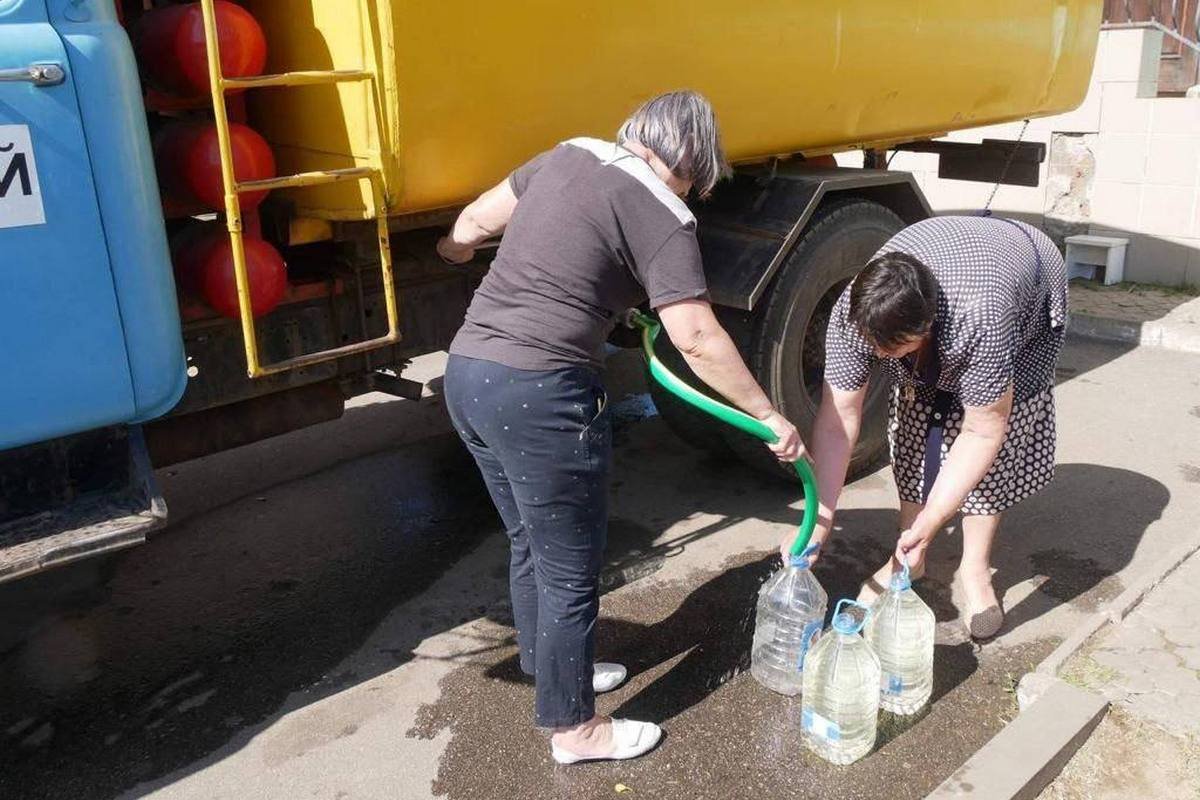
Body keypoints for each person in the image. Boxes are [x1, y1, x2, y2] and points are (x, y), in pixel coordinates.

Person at [437, 91, 805, 764]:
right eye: (702, 175)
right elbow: (694, 336)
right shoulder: (664, 213)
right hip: (539, 394)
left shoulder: (568, 153)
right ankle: (574, 728)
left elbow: (471, 223)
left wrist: (452, 251)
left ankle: (546, 668)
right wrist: (768, 415)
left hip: (467, 374)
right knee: (571, 569)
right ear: (695, 160)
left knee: (529, 539)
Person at [784, 215, 1067, 640]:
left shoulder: (983, 320)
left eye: (890, 350)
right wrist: (820, 519)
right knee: (917, 417)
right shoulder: (853, 313)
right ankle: (911, 556)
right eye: (873, 346)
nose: (877, 355)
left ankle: (974, 570)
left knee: (993, 448)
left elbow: (983, 430)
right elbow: (839, 418)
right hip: (955, 261)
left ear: (928, 326)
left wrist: (935, 518)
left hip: (1025, 281)